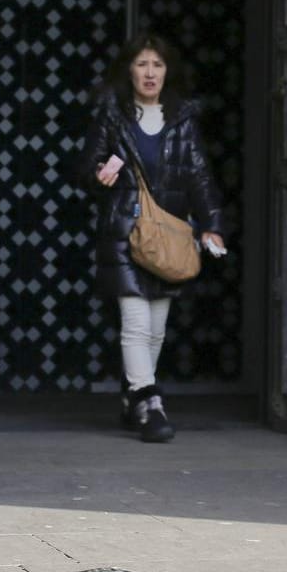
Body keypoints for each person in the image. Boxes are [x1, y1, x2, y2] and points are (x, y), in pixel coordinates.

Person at [77, 34, 225, 443]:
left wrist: (212, 223)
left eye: (157, 65)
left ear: (167, 71)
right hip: (123, 232)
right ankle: (149, 401)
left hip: (168, 236)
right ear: (129, 70)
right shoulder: (112, 116)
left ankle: (132, 396)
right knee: (137, 322)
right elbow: (85, 167)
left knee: (156, 328)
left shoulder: (182, 118)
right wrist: (99, 174)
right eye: (142, 64)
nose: (149, 73)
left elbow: (199, 175)